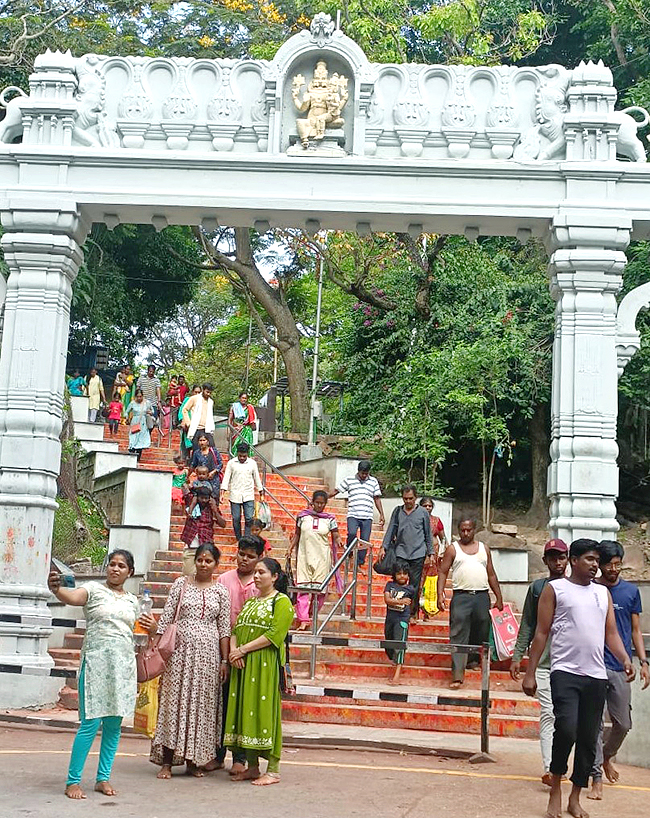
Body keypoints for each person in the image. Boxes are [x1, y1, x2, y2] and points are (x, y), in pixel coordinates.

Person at [522, 539, 635, 818]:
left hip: (596, 675)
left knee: (587, 739)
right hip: (565, 672)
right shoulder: (555, 589)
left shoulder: (601, 594)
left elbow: (611, 633)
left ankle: (575, 797)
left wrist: (624, 658)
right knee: (567, 729)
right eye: (589, 559)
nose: (595, 565)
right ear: (573, 560)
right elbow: (541, 633)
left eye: (597, 560)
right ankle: (556, 789)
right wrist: (529, 672)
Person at [47, 550, 144, 800]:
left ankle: (103, 778)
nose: (115, 569)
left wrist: (153, 630)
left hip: (122, 667)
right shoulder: (92, 590)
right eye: (112, 564)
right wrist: (57, 590)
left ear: (129, 572)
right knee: (90, 724)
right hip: (96, 663)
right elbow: (72, 596)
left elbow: (143, 629)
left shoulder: (134, 601)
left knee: (113, 726)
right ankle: (73, 781)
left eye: (121, 565)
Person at [151, 543, 231, 779]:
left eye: (209, 561)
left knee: (201, 707)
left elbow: (224, 628)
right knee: (173, 704)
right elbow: (166, 618)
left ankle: (193, 761)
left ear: (216, 564)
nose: (203, 564)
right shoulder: (181, 584)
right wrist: (154, 645)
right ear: (194, 561)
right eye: (200, 560)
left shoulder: (221, 592)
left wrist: (224, 661)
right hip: (179, 654)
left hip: (208, 657)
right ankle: (167, 762)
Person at [588, 540, 650, 800]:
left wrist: (643, 662)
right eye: (609, 565)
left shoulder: (630, 592)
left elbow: (635, 630)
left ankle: (606, 756)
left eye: (618, 565)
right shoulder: (591, 589)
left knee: (623, 723)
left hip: (620, 666)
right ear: (600, 565)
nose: (613, 569)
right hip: (592, 664)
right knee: (593, 724)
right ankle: (595, 778)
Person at [224, 557, 294, 785]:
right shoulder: (251, 602)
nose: (256, 576)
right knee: (246, 712)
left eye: (261, 572)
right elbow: (236, 628)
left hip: (264, 666)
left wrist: (242, 650)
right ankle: (252, 767)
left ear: (274, 577)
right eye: (255, 572)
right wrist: (233, 652)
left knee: (265, 712)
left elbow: (275, 634)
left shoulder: (282, 602)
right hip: (242, 666)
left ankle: (272, 770)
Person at [510, 539, 569, 786]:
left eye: (562, 557)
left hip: (570, 665)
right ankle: (550, 769)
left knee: (567, 720)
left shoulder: (577, 588)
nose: (557, 562)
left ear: (569, 559)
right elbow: (529, 625)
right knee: (548, 714)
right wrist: (518, 657)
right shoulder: (536, 589)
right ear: (545, 561)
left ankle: (561, 764)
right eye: (552, 557)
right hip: (544, 664)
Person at [213, 536, 265, 774]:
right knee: (221, 703)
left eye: (251, 556)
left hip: (252, 652)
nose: (245, 559)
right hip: (224, 649)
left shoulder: (261, 584)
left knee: (243, 705)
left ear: (259, 558)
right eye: (241, 554)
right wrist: (227, 654)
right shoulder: (223, 580)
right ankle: (217, 754)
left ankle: (241, 758)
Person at [437, 518, 504, 689]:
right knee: (458, 632)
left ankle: (473, 660)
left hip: (481, 596)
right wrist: (440, 594)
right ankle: (457, 675)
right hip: (461, 597)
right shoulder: (453, 549)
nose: (465, 533)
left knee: (481, 627)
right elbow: (443, 571)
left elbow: (491, 574)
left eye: (469, 530)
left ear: (475, 530)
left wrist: (499, 597)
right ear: (459, 531)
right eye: (462, 530)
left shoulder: (484, 549)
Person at [380, 485, 433, 624]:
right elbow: (391, 529)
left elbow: (428, 534)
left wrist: (430, 553)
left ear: (415, 498)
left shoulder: (422, 513)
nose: (408, 501)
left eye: (410, 498)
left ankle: (412, 613)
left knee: (414, 585)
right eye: (405, 498)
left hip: (418, 553)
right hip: (401, 552)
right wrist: (383, 547)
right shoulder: (398, 511)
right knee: (398, 583)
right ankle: (396, 608)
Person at [287, 490, 340, 631]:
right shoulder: (302, 517)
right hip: (304, 556)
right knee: (303, 589)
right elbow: (297, 534)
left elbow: (336, 535)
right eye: (317, 502)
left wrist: (340, 541)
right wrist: (290, 548)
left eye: (322, 503)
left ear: (325, 504)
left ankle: (311, 615)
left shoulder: (330, 519)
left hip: (322, 558)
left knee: (320, 591)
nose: (319, 505)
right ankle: (303, 619)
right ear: (312, 502)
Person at [330, 460, 384, 567]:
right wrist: (325, 496)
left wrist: (381, 514)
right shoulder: (349, 480)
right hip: (353, 515)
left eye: (366, 473)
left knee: (365, 540)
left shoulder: (373, 481)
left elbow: (377, 498)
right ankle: (349, 554)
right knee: (351, 534)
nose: (364, 475)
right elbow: (337, 491)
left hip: (367, 516)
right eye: (362, 473)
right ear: (358, 471)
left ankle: (359, 563)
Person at [220, 442, 265, 541]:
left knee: (249, 518)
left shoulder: (252, 463)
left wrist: (261, 492)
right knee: (236, 518)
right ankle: (239, 538)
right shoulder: (231, 463)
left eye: (244, 456)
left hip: (248, 495)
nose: (242, 458)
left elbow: (257, 478)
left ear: (247, 454)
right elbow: (226, 478)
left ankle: (247, 538)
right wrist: (222, 493)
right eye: (240, 456)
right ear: (237, 454)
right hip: (235, 495)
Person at [180, 487, 226, 576]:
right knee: (187, 575)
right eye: (202, 498)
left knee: (203, 576)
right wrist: (194, 499)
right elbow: (184, 487)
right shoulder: (191, 503)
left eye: (206, 498)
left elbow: (223, 524)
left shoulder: (212, 508)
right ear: (197, 497)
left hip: (205, 547)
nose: (204, 501)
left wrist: (215, 510)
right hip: (191, 547)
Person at [384, 560, 415, 685]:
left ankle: (397, 675)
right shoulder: (389, 585)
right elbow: (387, 599)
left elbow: (412, 603)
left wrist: (411, 616)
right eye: (399, 573)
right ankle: (394, 659)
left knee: (399, 645)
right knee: (388, 641)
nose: (402, 576)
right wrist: (400, 602)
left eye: (405, 573)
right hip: (390, 618)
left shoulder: (410, 589)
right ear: (394, 575)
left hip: (402, 620)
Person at [182, 382, 216, 451]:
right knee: (196, 451)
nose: (208, 394)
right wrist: (188, 423)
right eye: (207, 392)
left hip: (207, 429)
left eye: (210, 392)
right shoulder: (194, 398)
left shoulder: (211, 402)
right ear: (203, 390)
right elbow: (184, 409)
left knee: (212, 449)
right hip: (196, 429)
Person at [190, 434, 223, 499]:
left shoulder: (214, 451)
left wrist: (213, 472)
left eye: (204, 440)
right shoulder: (197, 453)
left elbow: (220, 464)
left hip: (214, 480)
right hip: (201, 480)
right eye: (200, 440)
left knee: (214, 499)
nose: (202, 442)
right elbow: (193, 465)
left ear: (207, 442)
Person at [126, 388, 153, 460]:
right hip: (135, 421)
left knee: (141, 438)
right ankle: (132, 450)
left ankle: (138, 455)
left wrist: (149, 412)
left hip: (143, 422)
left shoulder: (147, 403)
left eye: (140, 396)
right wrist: (127, 418)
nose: (139, 398)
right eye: (137, 396)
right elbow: (126, 411)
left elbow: (152, 411)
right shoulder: (132, 403)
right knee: (133, 436)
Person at [228, 391, 257, 456]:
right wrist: (233, 429)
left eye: (245, 398)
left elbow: (252, 420)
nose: (244, 399)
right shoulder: (234, 407)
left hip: (247, 430)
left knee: (246, 447)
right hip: (236, 430)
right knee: (235, 447)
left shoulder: (249, 408)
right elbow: (229, 421)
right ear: (239, 398)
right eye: (242, 398)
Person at [179, 384, 201, 462]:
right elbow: (182, 410)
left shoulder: (202, 402)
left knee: (196, 446)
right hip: (188, 426)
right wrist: (183, 420)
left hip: (198, 427)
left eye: (199, 392)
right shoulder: (188, 399)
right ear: (192, 392)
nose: (197, 394)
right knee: (186, 444)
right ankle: (185, 460)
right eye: (196, 392)